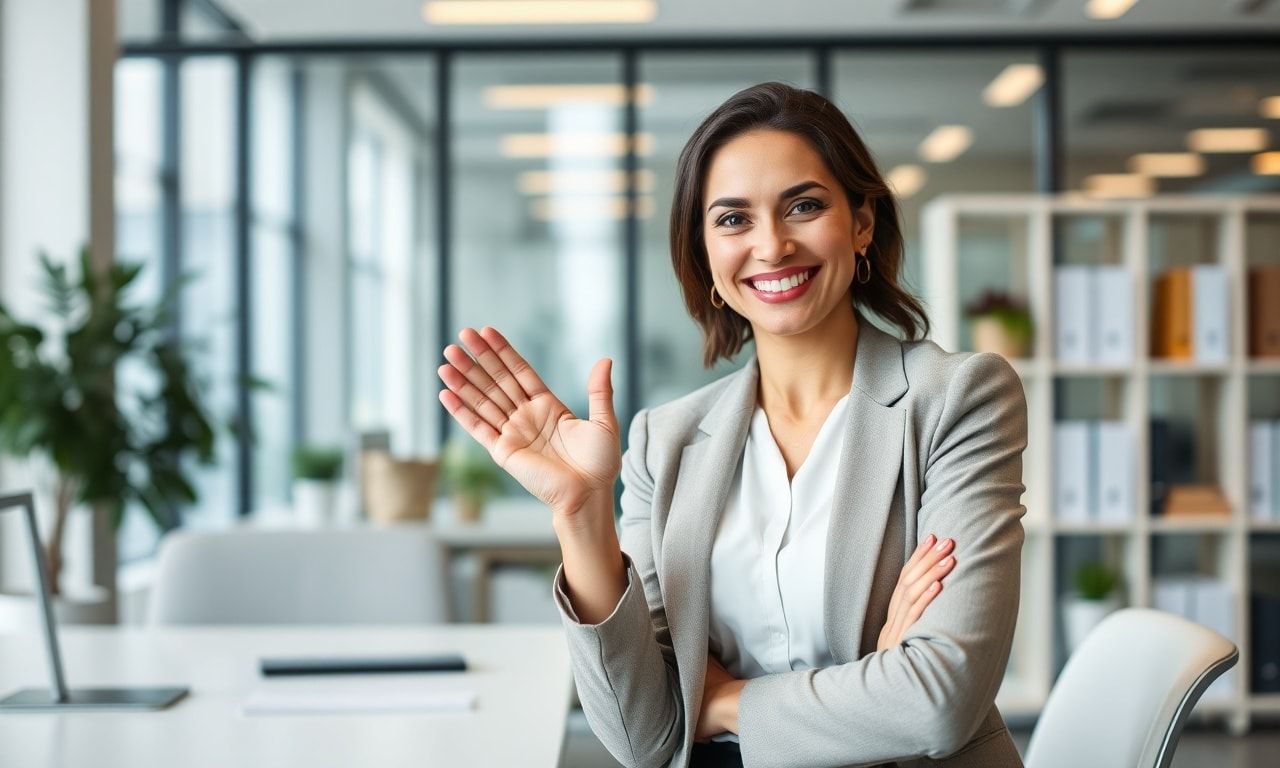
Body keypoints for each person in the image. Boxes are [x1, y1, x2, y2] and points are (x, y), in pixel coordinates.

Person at [437, 82, 1027, 768]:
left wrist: (720, 704)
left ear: (862, 223)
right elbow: (643, 735)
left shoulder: (956, 398)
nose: (772, 246)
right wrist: (580, 512)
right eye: (733, 219)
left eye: (804, 206)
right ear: (707, 258)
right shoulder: (667, 442)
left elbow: (938, 701)